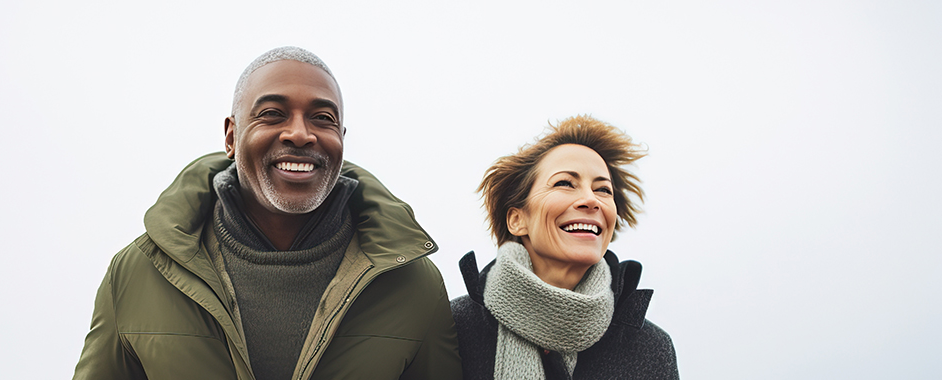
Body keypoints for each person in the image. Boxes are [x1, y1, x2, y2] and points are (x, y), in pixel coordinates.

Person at [73, 46, 462, 380]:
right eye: (273, 113)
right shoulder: (137, 274)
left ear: (342, 139)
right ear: (231, 136)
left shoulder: (413, 284)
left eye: (322, 118)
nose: (300, 133)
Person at [451, 115, 678, 379]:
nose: (591, 200)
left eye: (603, 190)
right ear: (517, 219)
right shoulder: (454, 328)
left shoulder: (650, 348)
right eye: (565, 183)